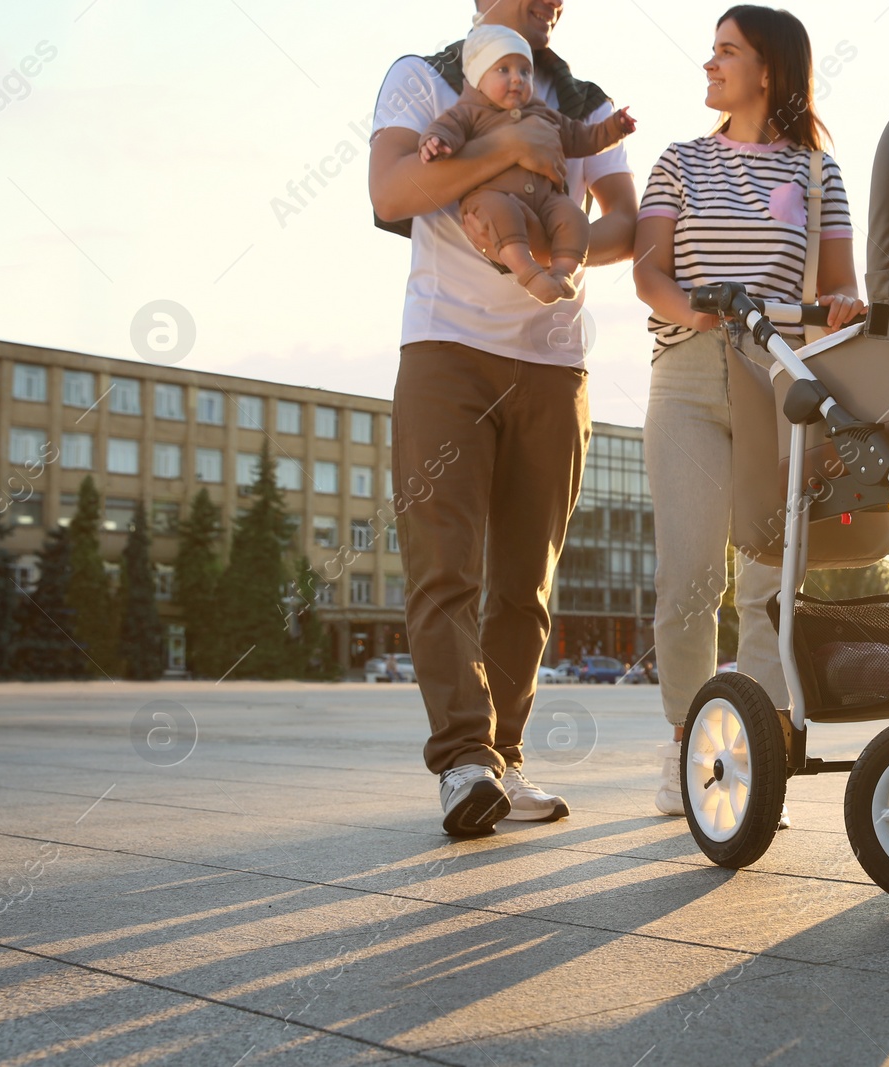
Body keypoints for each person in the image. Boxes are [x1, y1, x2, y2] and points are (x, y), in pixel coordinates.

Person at [368, 0, 636, 837]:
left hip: (554, 361)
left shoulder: (583, 100)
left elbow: (625, 220)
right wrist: (503, 151)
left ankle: (503, 758)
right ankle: (462, 759)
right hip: (447, 348)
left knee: (526, 583)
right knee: (444, 565)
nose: (550, 3)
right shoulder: (423, 78)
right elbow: (391, 189)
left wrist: (554, 241)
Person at [632, 5, 866, 818]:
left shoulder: (815, 173)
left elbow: (841, 286)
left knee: (769, 577)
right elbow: (648, 272)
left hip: (780, 376)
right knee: (691, 575)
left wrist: (840, 309)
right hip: (689, 374)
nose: (709, 64)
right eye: (711, 51)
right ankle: (683, 745)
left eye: (725, 52)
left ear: (767, 70)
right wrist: (697, 312)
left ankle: (754, 751)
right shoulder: (680, 160)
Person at [420, 24, 636, 303]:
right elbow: (447, 129)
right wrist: (436, 143)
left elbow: (581, 137)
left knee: (575, 218)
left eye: (525, 72)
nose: (517, 79)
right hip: (490, 195)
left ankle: (562, 273)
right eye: (503, 70)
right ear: (478, 78)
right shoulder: (469, 113)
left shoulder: (543, 113)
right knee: (502, 214)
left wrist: (614, 128)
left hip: (547, 198)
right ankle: (531, 275)